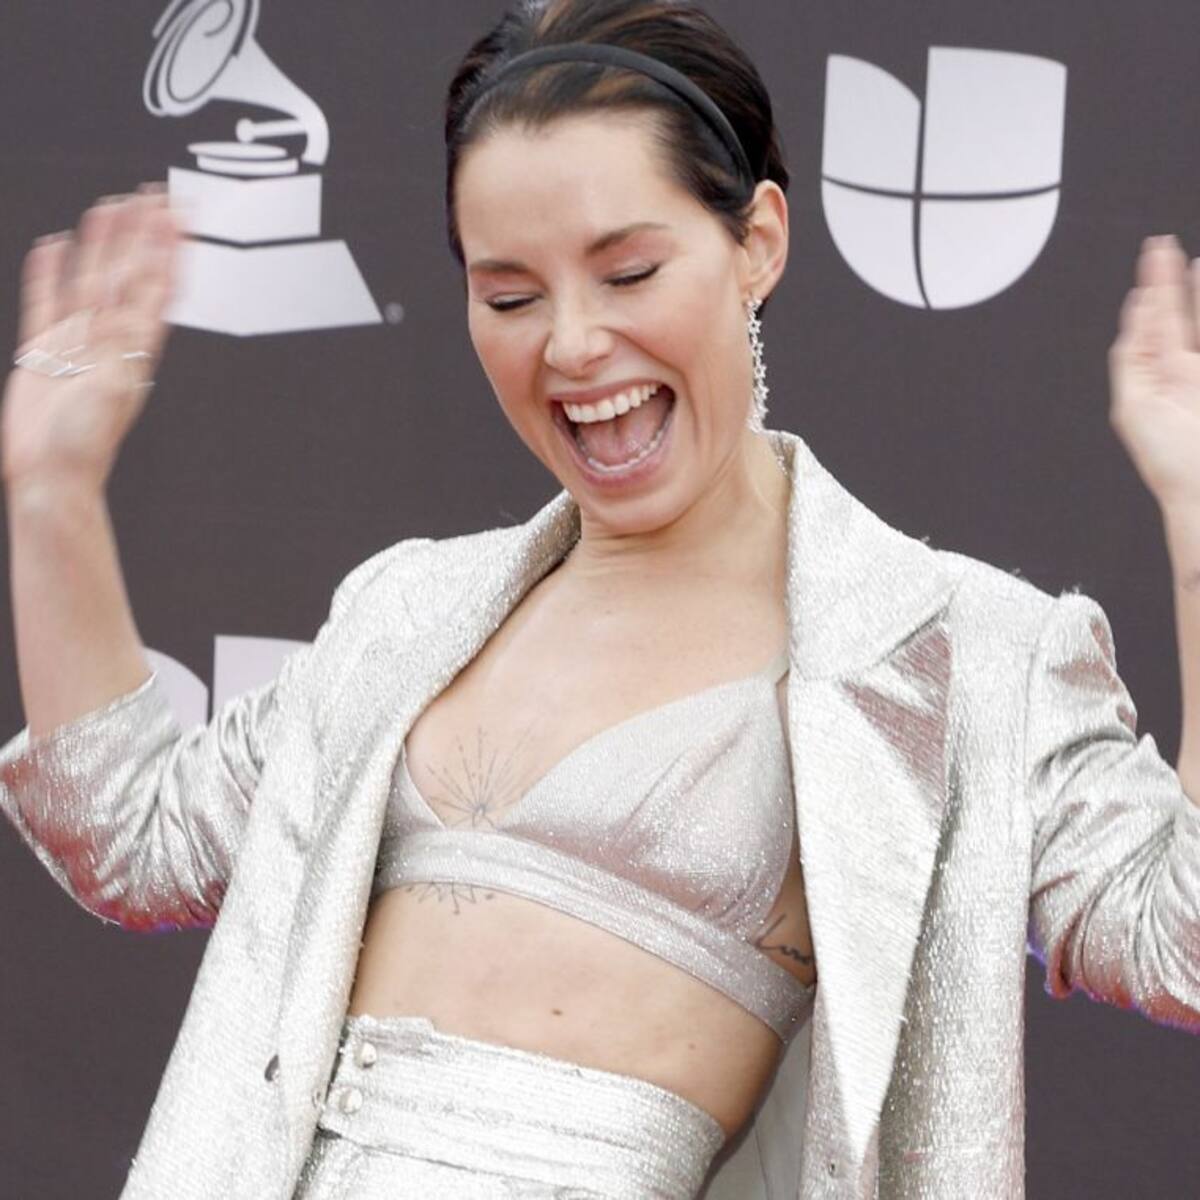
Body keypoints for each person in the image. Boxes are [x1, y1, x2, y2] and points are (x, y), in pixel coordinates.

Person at [1, 0, 1198, 1196]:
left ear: (757, 242)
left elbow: (1180, 942)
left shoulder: (953, 653)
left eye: (628, 272)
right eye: (510, 297)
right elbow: (130, 838)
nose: (571, 345)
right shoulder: (402, 612)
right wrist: (52, 491)